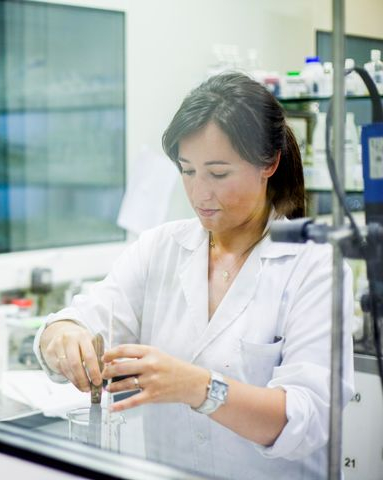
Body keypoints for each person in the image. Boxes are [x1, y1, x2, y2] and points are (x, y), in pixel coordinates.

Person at [33, 72, 355, 479]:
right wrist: (63, 335)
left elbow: (308, 418)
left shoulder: (314, 266)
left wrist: (200, 387)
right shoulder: (160, 248)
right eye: (187, 171)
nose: (200, 193)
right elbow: (85, 317)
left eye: (218, 174)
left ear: (269, 163)